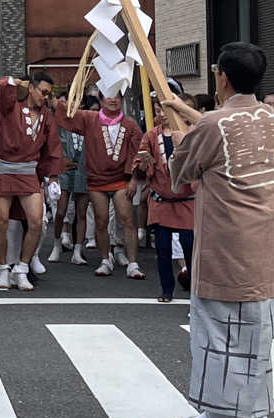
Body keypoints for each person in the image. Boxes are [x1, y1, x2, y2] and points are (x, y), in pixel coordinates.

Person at [167, 43, 274, 418]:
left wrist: (179, 131)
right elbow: (217, 127)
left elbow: (183, 168)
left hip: (226, 242)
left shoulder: (213, 125)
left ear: (222, 77)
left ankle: (215, 415)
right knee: (259, 332)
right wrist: (184, 112)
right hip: (265, 241)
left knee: (216, 329)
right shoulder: (270, 118)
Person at [55, 92, 145, 280]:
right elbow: (65, 113)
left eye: (117, 97)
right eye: (108, 97)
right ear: (101, 100)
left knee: (127, 219)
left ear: (121, 100)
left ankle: (133, 263)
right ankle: (105, 259)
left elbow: (136, 152)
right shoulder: (90, 118)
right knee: (101, 220)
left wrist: (133, 179)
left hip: (121, 178)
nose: (113, 100)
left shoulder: (130, 124)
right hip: (97, 180)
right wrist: (73, 94)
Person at [0, 71, 65, 290]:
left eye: (49, 94)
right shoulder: (10, 106)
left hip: (28, 170)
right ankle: (3, 268)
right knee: (1, 220)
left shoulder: (46, 116)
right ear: (31, 88)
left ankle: (22, 268)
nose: (45, 97)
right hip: (3, 168)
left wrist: (53, 177)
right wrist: (12, 82)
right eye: (43, 92)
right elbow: (2, 93)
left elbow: (53, 147)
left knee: (36, 222)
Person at [131, 98, 194, 302]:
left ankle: (196, 289)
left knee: (190, 246)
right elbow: (140, 162)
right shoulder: (151, 135)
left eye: (165, 110)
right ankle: (166, 289)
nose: (162, 114)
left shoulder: (190, 132)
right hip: (161, 199)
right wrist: (143, 165)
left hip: (186, 200)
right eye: (158, 110)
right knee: (163, 248)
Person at [50, 102, 89, 266]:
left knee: (81, 212)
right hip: (64, 169)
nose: (73, 105)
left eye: (78, 102)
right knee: (61, 211)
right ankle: (57, 244)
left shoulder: (87, 120)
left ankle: (78, 250)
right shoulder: (60, 121)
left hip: (84, 168)